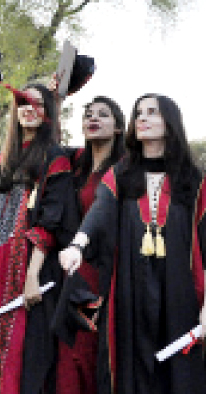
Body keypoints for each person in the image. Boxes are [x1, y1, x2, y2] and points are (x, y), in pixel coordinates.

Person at [59, 95, 206, 394]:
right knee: (128, 371)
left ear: (170, 122)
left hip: (180, 292)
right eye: (139, 112)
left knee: (179, 374)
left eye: (152, 112)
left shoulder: (193, 181)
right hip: (129, 290)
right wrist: (77, 244)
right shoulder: (121, 175)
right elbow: (99, 213)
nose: (142, 117)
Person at [0, 84, 76, 394]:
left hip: (29, 266)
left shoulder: (55, 158)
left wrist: (32, 275)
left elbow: (51, 220)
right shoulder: (2, 159)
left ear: (49, 112)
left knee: (23, 356)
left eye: (38, 104)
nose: (29, 108)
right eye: (23, 102)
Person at [53, 96, 125, 394]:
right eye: (88, 114)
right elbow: (49, 141)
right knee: (69, 359)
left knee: (96, 355)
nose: (93, 119)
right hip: (71, 272)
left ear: (119, 128)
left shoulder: (125, 169)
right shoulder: (74, 164)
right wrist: (55, 101)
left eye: (103, 115)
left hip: (106, 273)